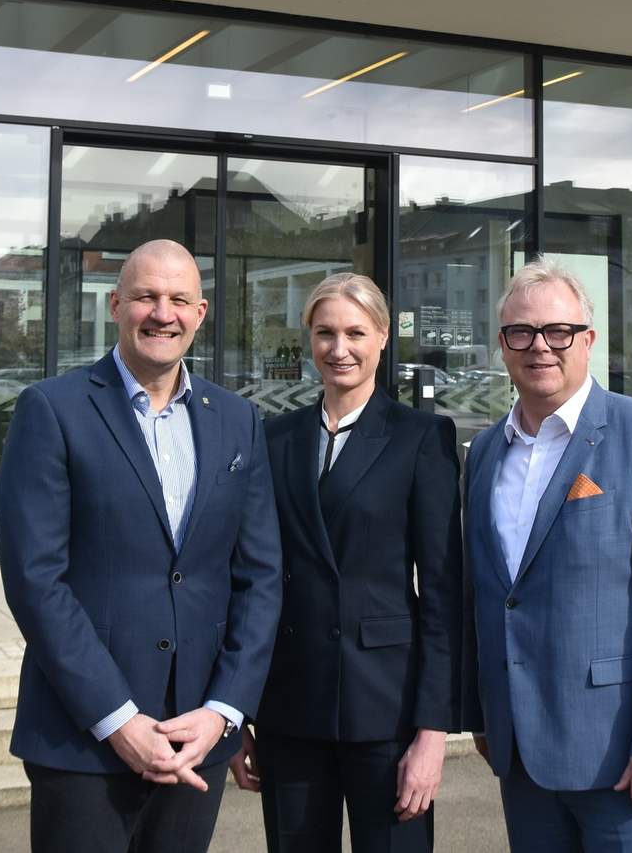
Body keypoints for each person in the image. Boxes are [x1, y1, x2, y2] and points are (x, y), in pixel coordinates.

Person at [0, 239, 282, 853]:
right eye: (146, 297)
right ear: (115, 305)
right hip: (84, 738)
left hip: (195, 735)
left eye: (178, 299)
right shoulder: (51, 410)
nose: (162, 314)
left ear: (200, 313)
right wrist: (118, 720)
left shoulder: (237, 420)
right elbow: (35, 580)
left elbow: (260, 577)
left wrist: (225, 709)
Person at [462, 257, 632, 852]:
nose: (540, 347)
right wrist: (485, 714)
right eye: (520, 332)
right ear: (502, 346)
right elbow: (485, 594)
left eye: (558, 331)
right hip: (522, 755)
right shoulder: (484, 454)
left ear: (588, 339)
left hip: (626, 756)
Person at [229, 272, 462, 853]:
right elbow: (247, 580)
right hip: (290, 705)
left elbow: (443, 593)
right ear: (308, 337)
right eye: (325, 333)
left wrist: (433, 732)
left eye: (356, 333)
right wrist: (236, 712)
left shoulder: (422, 437)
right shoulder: (274, 438)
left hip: (387, 709)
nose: (340, 349)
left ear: (382, 336)